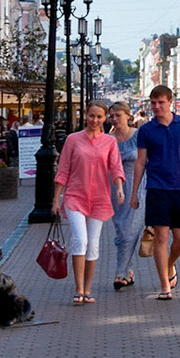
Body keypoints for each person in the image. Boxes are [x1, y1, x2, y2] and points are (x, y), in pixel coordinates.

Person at [131, 85, 180, 301]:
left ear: (170, 102)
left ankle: (170, 263)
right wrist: (134, 193)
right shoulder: (146, 130)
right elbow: (140, 163)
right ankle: (165, 285)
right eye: (153, 103)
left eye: (161, 103)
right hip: (157, 188)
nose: (156, 107)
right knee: (161, 237)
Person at [54, 101, 124, 306]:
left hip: (99, 198)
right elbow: (63, 170)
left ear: (105, 119)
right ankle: (78, 289)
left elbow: (116, 168)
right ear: (85, 115)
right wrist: (56, 198)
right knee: (80, 240)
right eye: (92, 116)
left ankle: (87, 288)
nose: (95, 120)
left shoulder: (109, 142)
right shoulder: (73, 140)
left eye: (99, 117)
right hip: (75, 196)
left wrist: (119, 187)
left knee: (93, 245)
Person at [107, 101, 145, 291]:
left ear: (128, 116)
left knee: (129, 229)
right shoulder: (107, 139)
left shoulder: (138, 136)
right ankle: (128, 270)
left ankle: (120, 272)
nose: (114, 119)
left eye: (118, 115)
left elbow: (147, 161)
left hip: (135, 185)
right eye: (111, 116)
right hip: (114, 187)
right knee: (120, 229)